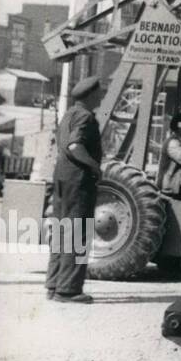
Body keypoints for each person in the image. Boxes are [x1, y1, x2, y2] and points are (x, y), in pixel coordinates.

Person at [45, 75, 105, 304]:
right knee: (77, 233)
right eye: (99, 93)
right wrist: (94, 166)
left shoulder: (68, 114)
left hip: (62, 179)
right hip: (79, 182)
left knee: (61, 231)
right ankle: (68, 290)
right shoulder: (86, 116)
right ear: (91, 95)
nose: (101, 96)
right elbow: (74, 145)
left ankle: (54, 284)